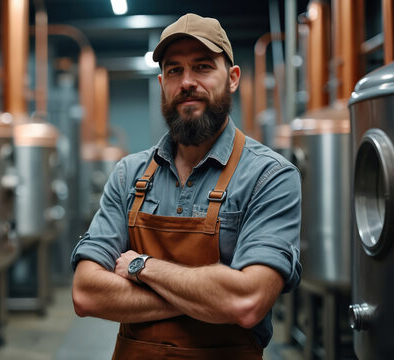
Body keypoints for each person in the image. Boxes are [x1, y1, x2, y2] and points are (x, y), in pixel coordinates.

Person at [70, 13, 302, 359]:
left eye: (203, 66)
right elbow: (87, 293)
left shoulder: (269, 176)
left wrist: (141, 267)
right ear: (163, 82)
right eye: (175, 70)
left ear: (233, 78)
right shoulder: (128, 175)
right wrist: (209, 297)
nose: (187, 81)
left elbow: (247, 301)